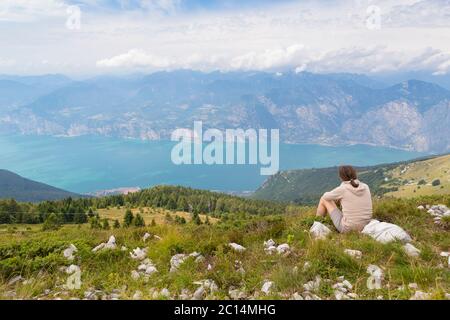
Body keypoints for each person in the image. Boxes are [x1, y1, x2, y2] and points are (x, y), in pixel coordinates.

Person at [316, 165, 372, 233]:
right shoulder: (366, 186)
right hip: (366, 225)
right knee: (339, 199)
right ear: (355, 174)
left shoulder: (343, 189)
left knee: (323, 199)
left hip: (348, 228)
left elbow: (325, 196)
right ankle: (319, 224)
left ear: (341, 177)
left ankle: (317, 225)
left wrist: (341, 186)